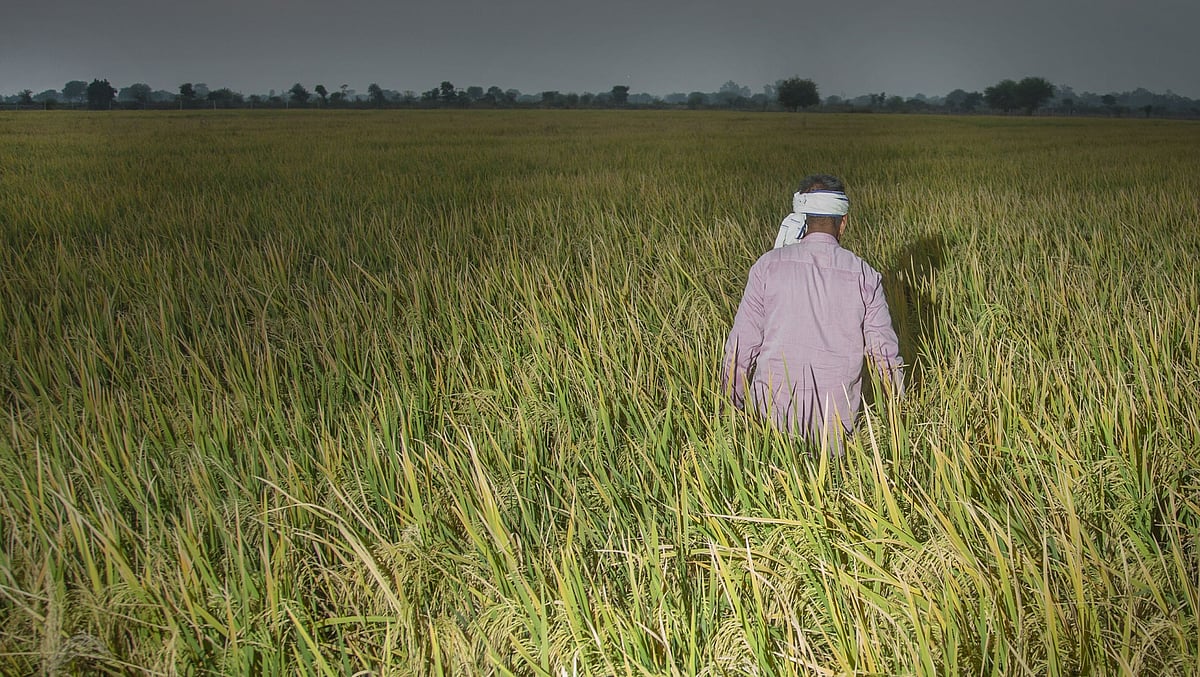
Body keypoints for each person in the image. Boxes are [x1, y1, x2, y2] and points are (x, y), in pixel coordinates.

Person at [722, 174, 903, 452]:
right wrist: (898, 419)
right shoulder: (864, 275)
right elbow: (885, 358)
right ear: (843, 222)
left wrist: (731, 408)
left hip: (768, 429)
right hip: (835, 434)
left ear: (801, 219)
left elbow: (740, 349)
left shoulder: (767, 267)